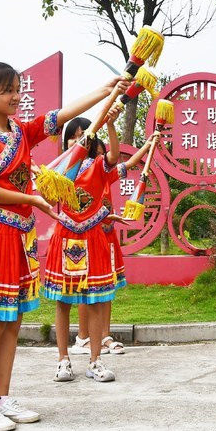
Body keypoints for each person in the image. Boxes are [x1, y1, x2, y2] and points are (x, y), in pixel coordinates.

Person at [0, 62, 123, 431]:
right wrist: (32, 199)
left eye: (18, 89)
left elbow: (60, 115)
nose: (16, 96)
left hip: (21, 235)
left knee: (13, 320)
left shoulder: (20, 131)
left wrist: (104, 89)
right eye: (7, 90)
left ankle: (0, 398)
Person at [43, 108, 127, 383]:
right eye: (73, 137)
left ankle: (95, 361)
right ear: (66, 141)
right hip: (65, 235)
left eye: (85, 136)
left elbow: (114, 156)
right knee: (62, 302)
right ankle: (63, 360)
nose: (79, 141)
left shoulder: (99, 164)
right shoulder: (59, 169)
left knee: (95, 299)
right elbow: (44, 192)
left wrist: (112, 126)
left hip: (92, 236)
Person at [73, 133, 156, 357]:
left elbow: (126, 163)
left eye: (104, 155)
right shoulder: (76, 174)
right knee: (85, 288)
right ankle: (83, 338)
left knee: (106, 288)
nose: (104, 159)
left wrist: (147, 145)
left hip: (106, 238)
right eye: (99, 155)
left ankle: (104, 336)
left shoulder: (106, 174)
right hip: (85, 238)